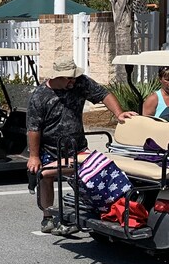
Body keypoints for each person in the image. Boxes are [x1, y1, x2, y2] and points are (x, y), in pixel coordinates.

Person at [27, 57, 137, 235]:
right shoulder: (39, 96)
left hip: (77, 147)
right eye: (69, 78)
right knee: (44, 176)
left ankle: (100, 212)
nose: (73, 81)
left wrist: (119, 113)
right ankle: (48, 218)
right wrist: (34, 156)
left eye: (74, 77)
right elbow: (33, 129)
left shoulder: (80, 83)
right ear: (57, 77)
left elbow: (104, 94)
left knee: (90, 176)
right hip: (50, 148)